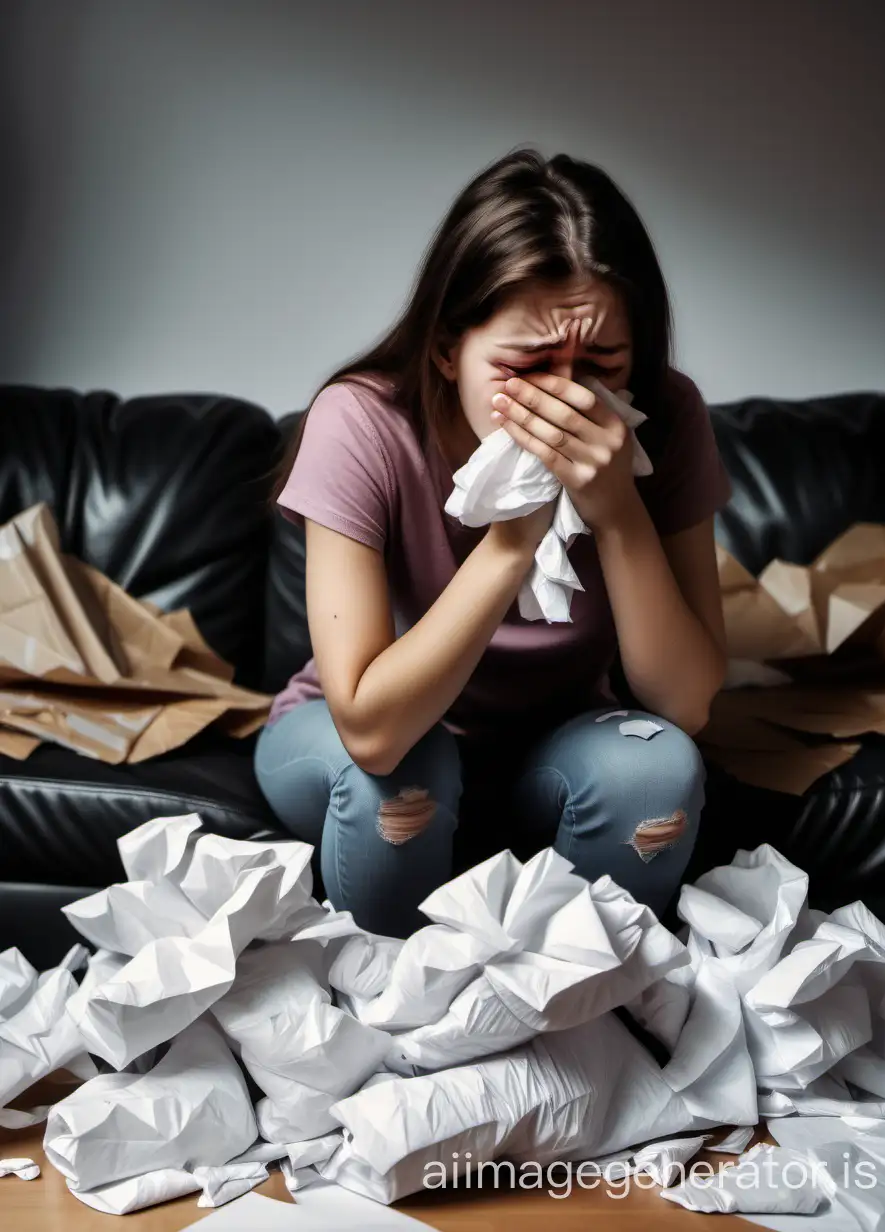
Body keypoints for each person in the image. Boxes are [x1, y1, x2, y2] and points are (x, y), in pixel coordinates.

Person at [255, 147, 732, 938]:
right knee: (405, 781)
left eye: (602, 365)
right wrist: (512, 543)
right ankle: (396, 1034)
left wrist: (617, 512)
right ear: (447, 348)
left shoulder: (668, 418)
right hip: (369, 738)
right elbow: (371, 730)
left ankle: (575, 1032)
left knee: (656, 768)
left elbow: (685, 703)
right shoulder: (362, 423)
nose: (570, 396)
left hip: (562, 739)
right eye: (527, 365)